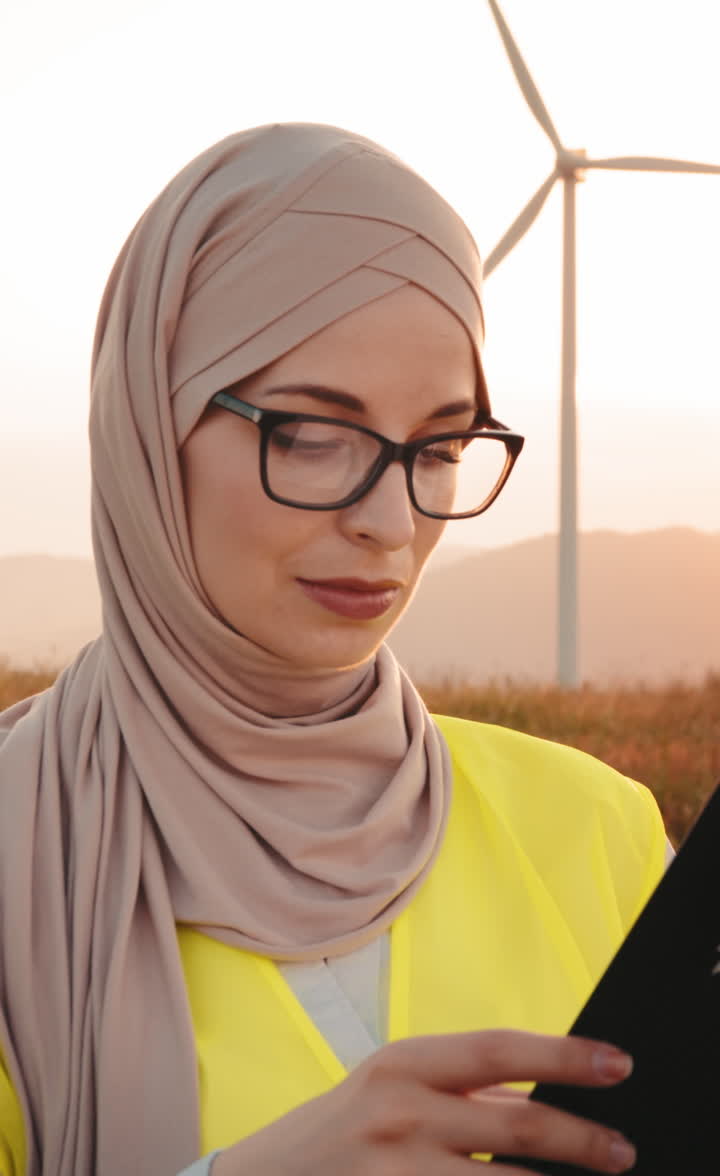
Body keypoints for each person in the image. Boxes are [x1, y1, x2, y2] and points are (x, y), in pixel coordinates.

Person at [0, 123, 667, 1176]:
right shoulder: (15, 847)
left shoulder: (601, 833)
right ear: (146, 425)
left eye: (441, 448)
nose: (391, 521)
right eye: (312, 433)